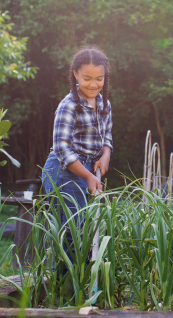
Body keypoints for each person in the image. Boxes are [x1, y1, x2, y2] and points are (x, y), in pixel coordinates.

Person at [41, 46, 113, 243]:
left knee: (88, 230)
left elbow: (107, 136)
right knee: (72, 232)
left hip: (88, 170)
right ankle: (63, 275)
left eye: (99, 78)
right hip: (64, 170)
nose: (93, 84)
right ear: (75, 75)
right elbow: (62, 149)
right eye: (87, 78)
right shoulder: (69, 105)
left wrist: (105, 155)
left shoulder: (104, 104)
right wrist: (88, 176)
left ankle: (82, 274)